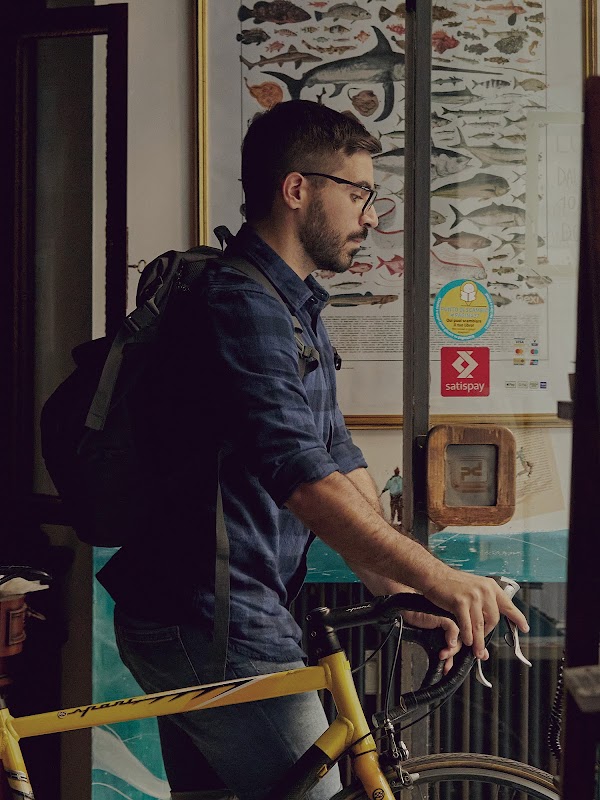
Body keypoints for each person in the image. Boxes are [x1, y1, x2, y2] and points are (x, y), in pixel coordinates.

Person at [96, 100, 528, 800]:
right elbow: (302, 479)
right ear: (297, 190)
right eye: (358, 193)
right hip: (212, 620)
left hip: (215, 615)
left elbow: (338, 461)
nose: (370, 216)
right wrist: (445, 580)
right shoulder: (239, 304)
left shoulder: (291, 305)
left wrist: (406, 587)